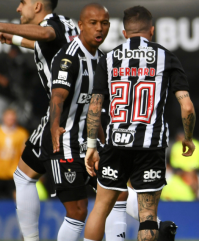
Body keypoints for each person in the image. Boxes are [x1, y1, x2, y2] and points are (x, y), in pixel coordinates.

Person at [83, 5, 196, 241]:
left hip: (115, 143)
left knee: (100, 208)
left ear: (124, 33)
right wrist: (188, 137)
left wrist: (92, 145)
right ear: (151, 31)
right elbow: (187, 106)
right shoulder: (166, 57)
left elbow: (94, 106)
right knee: (147, 215)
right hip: (150, 145)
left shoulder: (109, 58)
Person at [47, 3, 132, 241]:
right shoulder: (68, 57)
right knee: (78, 211)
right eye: (93, 23)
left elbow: (96, 109)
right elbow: (58, 97)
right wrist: (54, 126)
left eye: (104, 23)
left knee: (119, 194)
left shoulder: (103, 60)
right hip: (64, 141)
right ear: (81, 25)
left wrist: (104, 138)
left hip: (92, 142)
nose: (100, 28)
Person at [0, 1, 79, 240]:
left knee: (79, 209)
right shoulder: (66, 23)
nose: (17, 9)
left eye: (22, 3)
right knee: (23, 175)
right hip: (79, 110)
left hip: (64, 115)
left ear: (36, 6)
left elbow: (45, 33)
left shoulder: (50, 25)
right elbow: (43, 43)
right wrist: (12, 39)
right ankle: (153, 223)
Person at [0, 108, 28, 199]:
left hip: (14, 172)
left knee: (16, 196)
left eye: (12, 118)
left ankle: (17, 212)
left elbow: (24, 153)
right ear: (3, 118)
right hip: (1, 171)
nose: (10, 120)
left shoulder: (21, 133)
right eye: (8, 118)